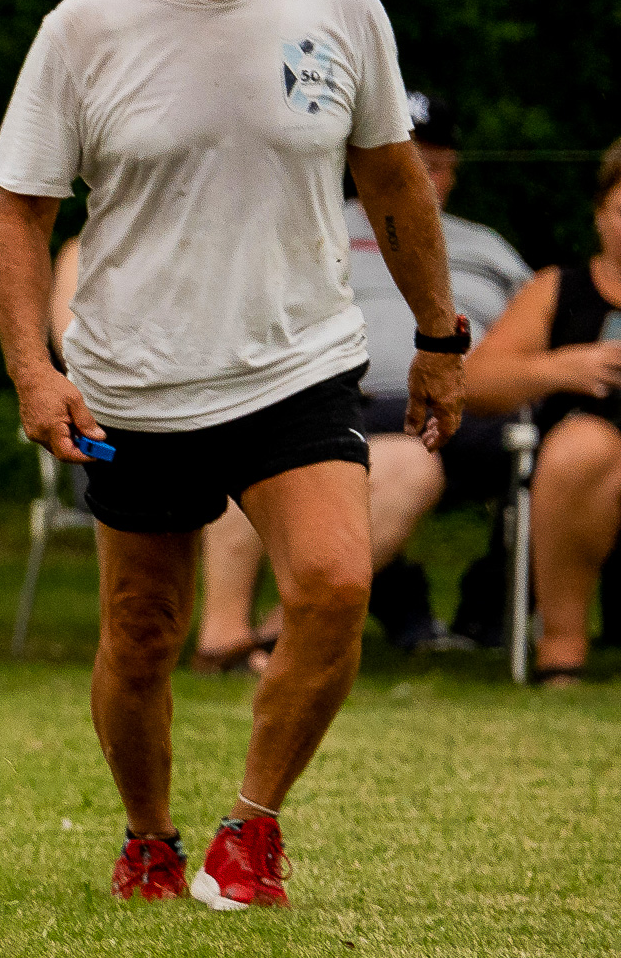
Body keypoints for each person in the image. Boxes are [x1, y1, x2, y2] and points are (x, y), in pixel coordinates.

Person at [0, 0, 464, 909]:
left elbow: (389, 179)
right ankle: (149, 841)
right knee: (143, 629)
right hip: (137, 379)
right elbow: (20, 211)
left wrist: (439, 335)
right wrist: (34, 369)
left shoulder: (339, 2)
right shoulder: (82, 27)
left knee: (334, 582)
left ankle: (250, 830)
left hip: (299, 362)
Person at [197, 90, 533, 665]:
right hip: (330, 396)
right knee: (250, 433)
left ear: (453, 170)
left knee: (419, 461)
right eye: (400, 158)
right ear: (360, 160)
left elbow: (535, 327)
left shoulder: (487, 248)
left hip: (461, 408)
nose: (417, 175)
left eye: (432, 163)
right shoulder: (311, 229)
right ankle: (225, 633)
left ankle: (283, 634)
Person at [463, 138, 621, 686]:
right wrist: (561, 368)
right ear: (601, 214)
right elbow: (473, 381)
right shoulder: (558, 288)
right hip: (578, 461)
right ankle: (562, 644)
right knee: (583, 448)